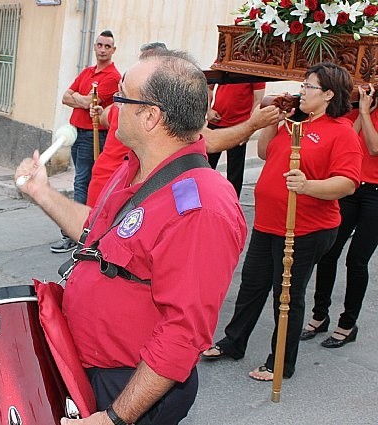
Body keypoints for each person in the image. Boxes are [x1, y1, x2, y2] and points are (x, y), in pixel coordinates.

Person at [16, 51, 247, 425]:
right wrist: (42, 192)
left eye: (121, 96)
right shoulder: (135, 168)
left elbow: (183, 334)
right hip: (91, 368)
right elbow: (98, 233)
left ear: (151, 116)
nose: (111, 105)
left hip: (130, 389)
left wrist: (114, 418)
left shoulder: (201, 208)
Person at [201, 62, 363, 381]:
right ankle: (234, 342)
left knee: (286, 294)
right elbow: (263, 153)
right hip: (269, 222)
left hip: (305, 228)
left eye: (309, 87)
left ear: (329, 94)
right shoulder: (295, 123)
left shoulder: (342, 131)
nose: (302, 91)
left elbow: (348, 182)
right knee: (252, 285)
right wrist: (273, 121)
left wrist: (308, 186)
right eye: (303, 85)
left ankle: (280, 362)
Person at [87, 41, 278, 206]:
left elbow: (104, 116)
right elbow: (211, 142)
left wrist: (100, 111)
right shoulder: (141, 104)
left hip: (108, 181)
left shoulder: (125, 102)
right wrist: (252, 125)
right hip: (121, 187)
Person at [300, 83, 378, 348]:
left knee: (357, 260)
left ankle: (347, 323)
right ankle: (319, 315)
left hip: (375, 194)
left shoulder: (365, 111)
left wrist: (367, 114)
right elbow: (350, 142)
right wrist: (361, 112)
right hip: (352, 189)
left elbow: (375, 147)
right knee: (329, 253)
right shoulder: (354, 110)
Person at [50, 30, 121, 253]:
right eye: (99, 45)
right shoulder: (88, 72)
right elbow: (65, 96)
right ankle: (85, 228)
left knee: (83, 181)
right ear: (94, 47)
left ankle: (74, 232)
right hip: (77, 132)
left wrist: (78, 99)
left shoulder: (113, 76)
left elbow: (93, 101)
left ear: (113, 50)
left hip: (93, 135)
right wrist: (82, 101)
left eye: (107, 46)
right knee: (83, 180)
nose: (102, 49)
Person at [206, 82, 266, 198]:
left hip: (239, 126)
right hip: (216, 121)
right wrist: (208, 110)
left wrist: (250, 128)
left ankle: (232, 204)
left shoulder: (254, 68)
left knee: (235, 173)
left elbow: (258, 100)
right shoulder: (223, 63)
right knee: (205, 166)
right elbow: (208, 87)